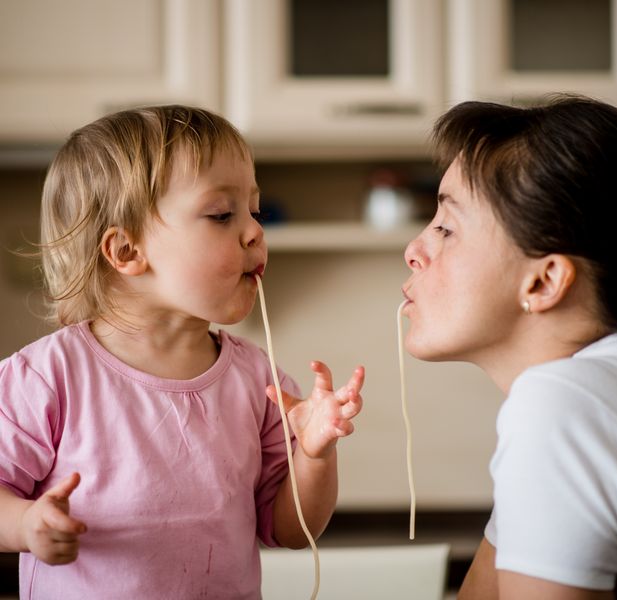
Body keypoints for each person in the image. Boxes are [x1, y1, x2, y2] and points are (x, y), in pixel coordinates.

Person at [0, 105, 364, 599]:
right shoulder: (47, 376)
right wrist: (26, 523)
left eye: (254, 211)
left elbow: (291, 531)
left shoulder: (257, 379)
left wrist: (316, 456)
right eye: (221, 214)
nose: (255, 230)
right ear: (126, 252)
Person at [401, 95, 617, 599]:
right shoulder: (609, 387)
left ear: (544, 281)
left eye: (446, 227)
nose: (414, 250)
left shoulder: (562, 405)